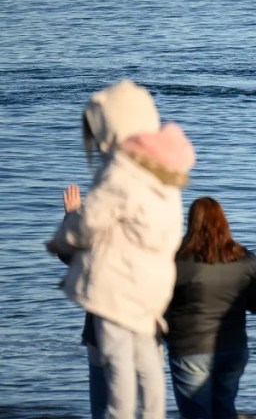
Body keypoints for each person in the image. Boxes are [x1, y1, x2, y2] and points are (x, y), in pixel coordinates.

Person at [46, 79, 196, 419]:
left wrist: (66, 227)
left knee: (118, 375)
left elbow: (89, 225)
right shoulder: (165, 172)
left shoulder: (122, 170)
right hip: (153, 285)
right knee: (147, 364)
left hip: (118, 290)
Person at [164, 196, 256, 419]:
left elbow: (159, 302)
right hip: (233, 346)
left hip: (190, 347)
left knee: (195, 414)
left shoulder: (176, 260)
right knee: (225, 408)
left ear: (191, 222)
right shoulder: (245, 260)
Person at [53, 184, 107, 419]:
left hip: (100, 333)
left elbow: (67, 253)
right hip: (143, 334)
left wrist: (71, 217)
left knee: (101, 401)